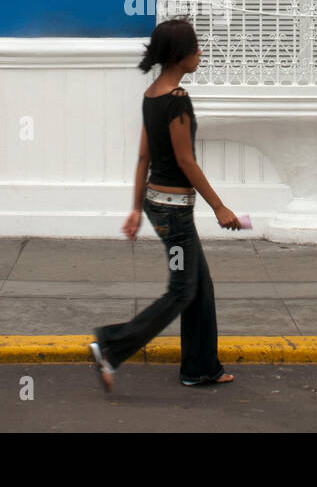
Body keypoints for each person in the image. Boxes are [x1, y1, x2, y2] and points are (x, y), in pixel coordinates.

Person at [89, 19, 242, 392]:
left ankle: (201, 367)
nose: (200, 52)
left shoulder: (151, 96)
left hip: (158, 207)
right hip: (174, 214)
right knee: (181, 290)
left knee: (199, 288)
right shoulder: (176, 100)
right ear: (179, 55)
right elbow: (186, 162)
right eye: (195, 47)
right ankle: (111, 346)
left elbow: (143, 156)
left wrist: (136, 208)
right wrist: (220, 207)